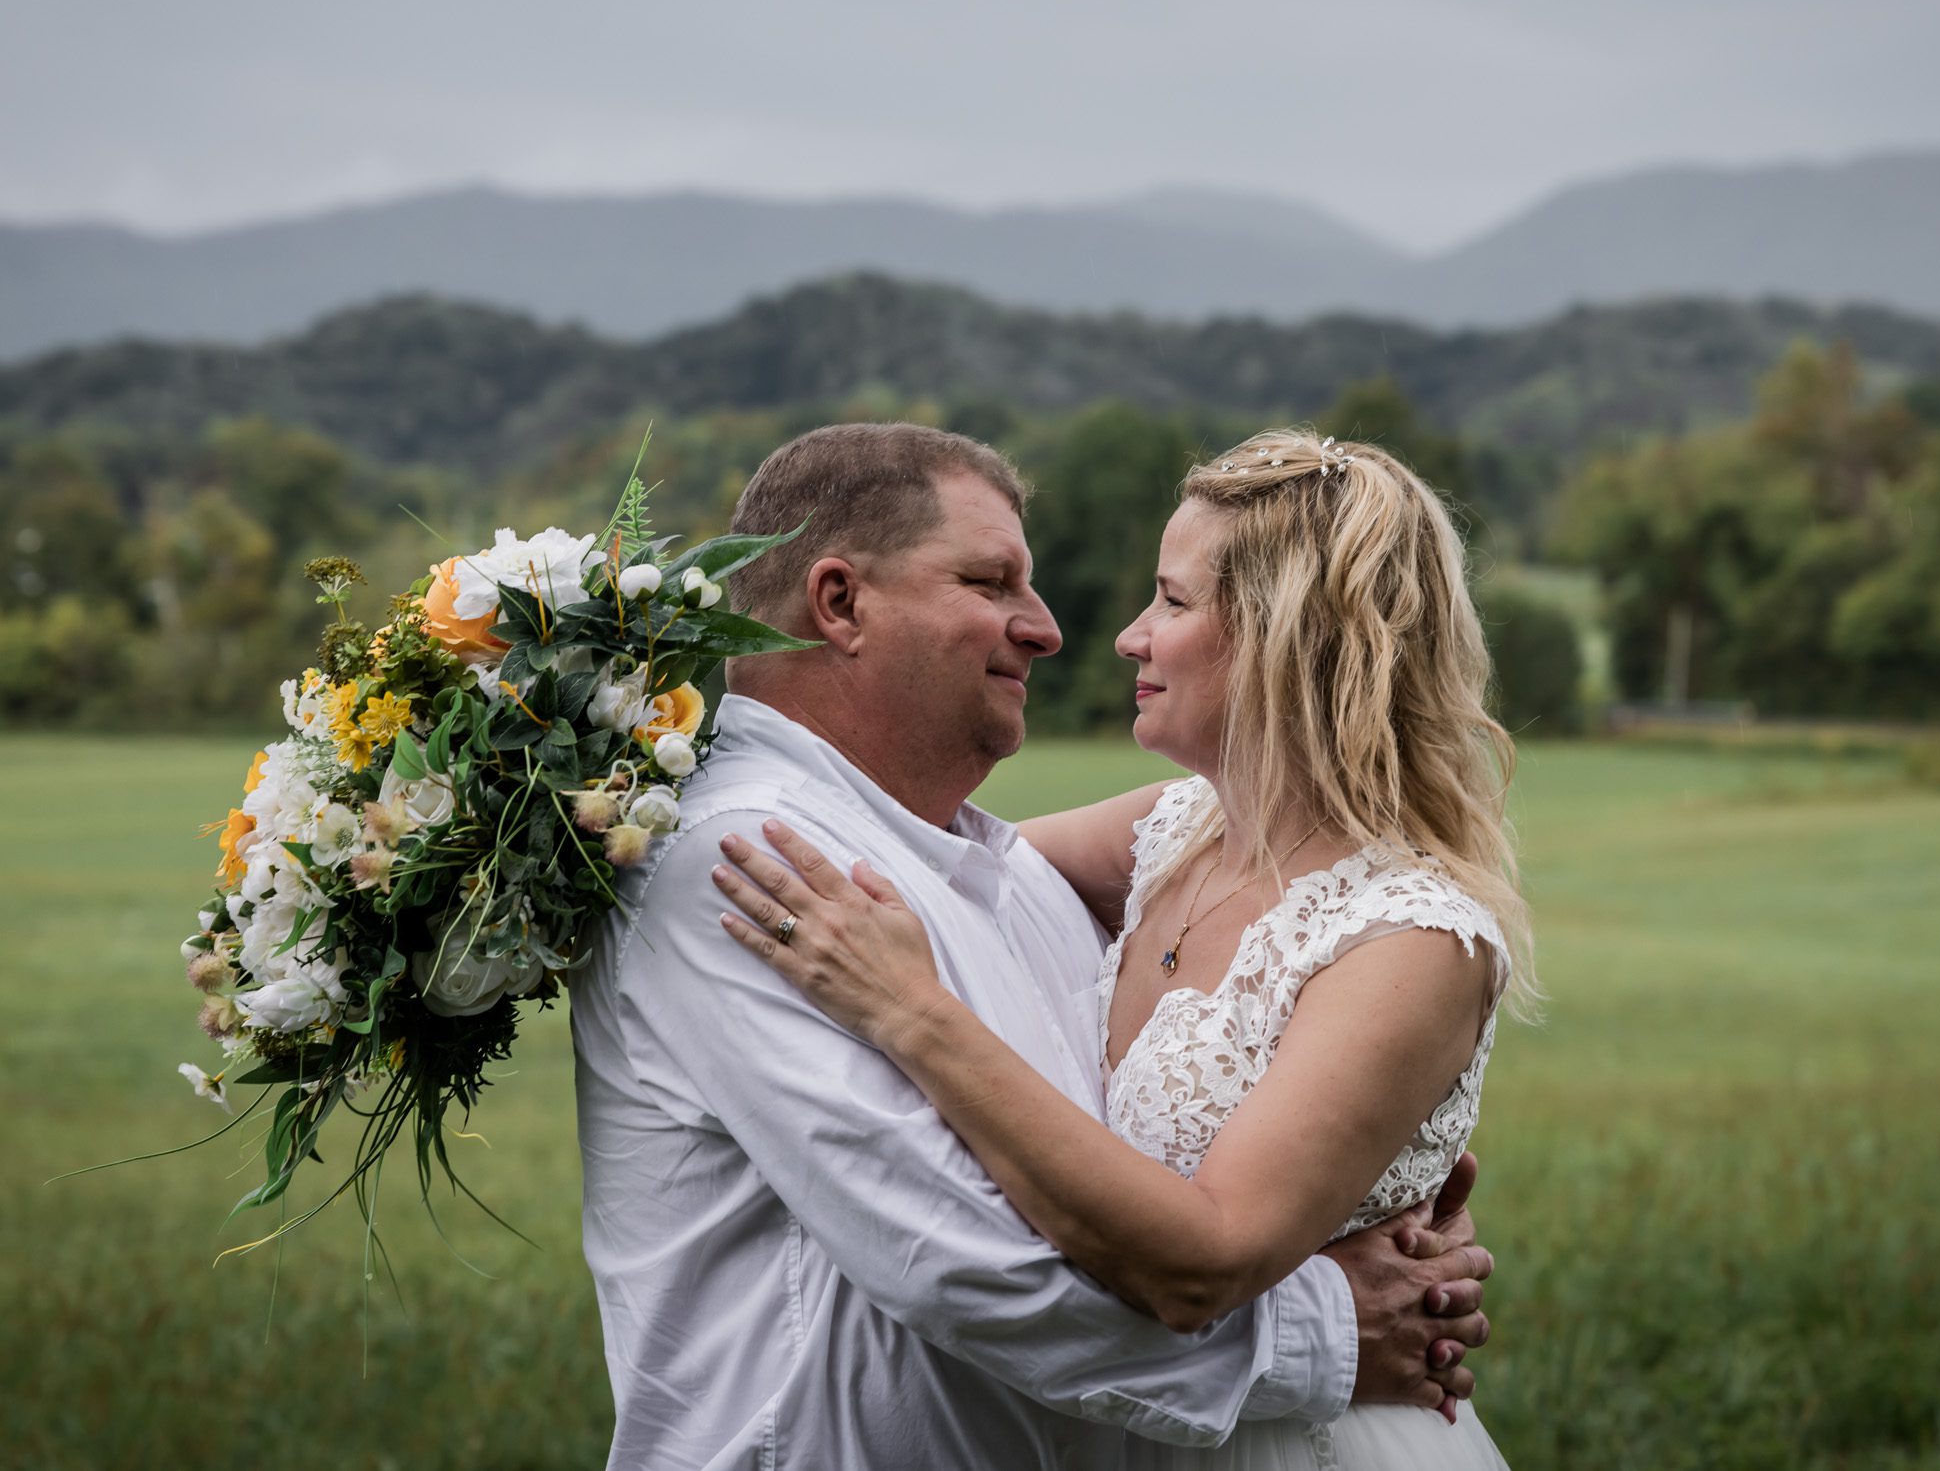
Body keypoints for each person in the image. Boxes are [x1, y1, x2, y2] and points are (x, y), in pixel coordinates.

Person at [571, 423, 1497, 1470]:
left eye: (1173, 600)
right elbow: (965, 1264)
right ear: (839, 603)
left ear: (1292, 638)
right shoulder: (753, 866)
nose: (1067, 630)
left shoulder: (983, 865)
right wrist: (1331, 1330)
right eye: (990, 579)